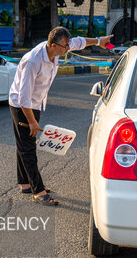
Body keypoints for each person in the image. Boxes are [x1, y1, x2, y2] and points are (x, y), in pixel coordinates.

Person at [9, 27, 113, 205]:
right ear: (53, 45)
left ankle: (25, 183)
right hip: (22, 106)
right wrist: (32, 122)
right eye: (65, 47)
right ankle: (39, 191)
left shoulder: (58, 48)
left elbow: (79, 42)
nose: (67, 50)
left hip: (35, 103)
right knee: (28, 148)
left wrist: (98, 40)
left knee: (24, 143)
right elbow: (23, 98)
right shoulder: (33, 61)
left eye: (67, 46)